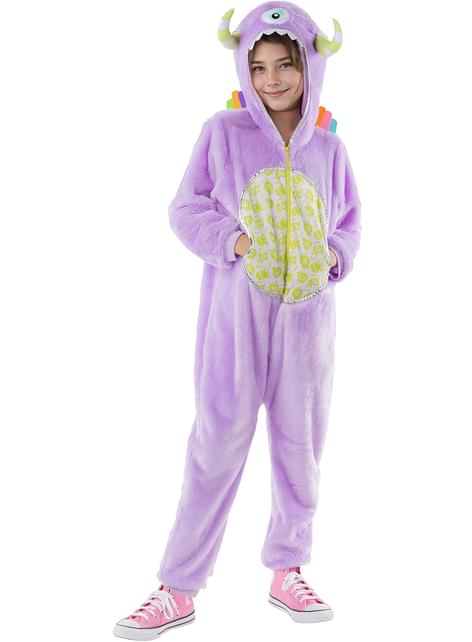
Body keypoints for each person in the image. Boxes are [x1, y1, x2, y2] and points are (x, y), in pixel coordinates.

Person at [113, 1, 361, 638]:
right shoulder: (223, 132)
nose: (272, 79)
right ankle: (178, 586)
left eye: (285, 65)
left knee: (301, 449)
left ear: (310, 67)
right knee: (217, 442)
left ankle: (288, 569)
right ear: (243, 70)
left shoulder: (330, 146)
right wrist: (234, 241)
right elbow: (185, 207)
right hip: (236, 318)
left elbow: (349, 221)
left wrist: (334, 256)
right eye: (258, 66)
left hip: (309, 324)